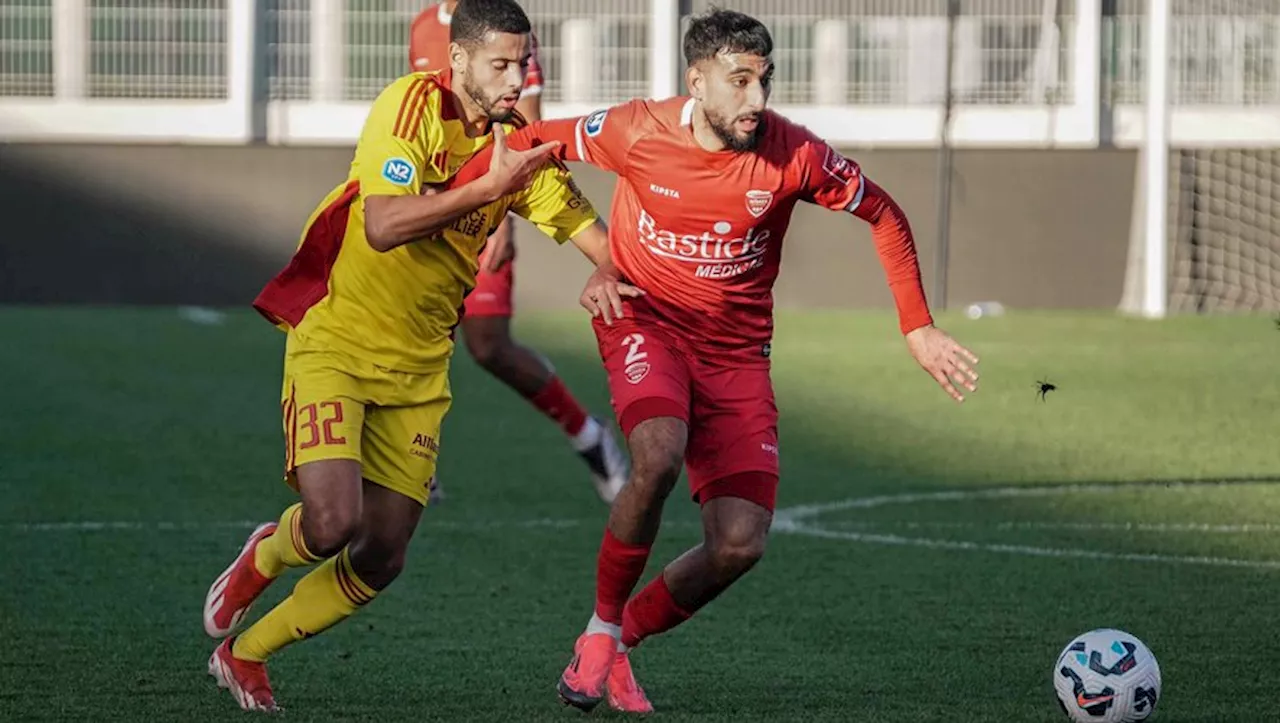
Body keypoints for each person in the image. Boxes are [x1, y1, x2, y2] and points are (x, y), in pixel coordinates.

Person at [446, 7, 981, 714]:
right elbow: (529, 142)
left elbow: (882, 212)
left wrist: (917, 327)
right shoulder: (635, 129)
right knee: (658, 454)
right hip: (645, 321)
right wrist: (479, 217)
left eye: (764, 81)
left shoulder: (795, 155)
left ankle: (623, 642)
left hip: (737, 356)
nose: (757, 100)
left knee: (738, 543)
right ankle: (599, 629)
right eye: (740, 81)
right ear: (697, 81)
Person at [200, 0, 638, 712]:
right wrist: (489, 188)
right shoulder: (411, 106)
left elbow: (595, 236)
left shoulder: (517, 146)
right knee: (331, 523)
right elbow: (381, 223)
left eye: (521, 64)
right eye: (498, 64)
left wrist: (608, 268)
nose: (514, 79)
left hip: (418, 370)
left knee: (382, 554)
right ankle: (264, 555)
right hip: (337, 339)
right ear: (457, 59)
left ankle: (245, 653)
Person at [410, 0, 628, 506]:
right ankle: (410, 458)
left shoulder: (508, 31)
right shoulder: (423, 27)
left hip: (487, 209)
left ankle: (588, 435)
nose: (513, 72)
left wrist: (501, 217)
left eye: (518, 65)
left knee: (487, 343)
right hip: (431, 209)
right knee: (410, 327)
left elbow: (526, 134)